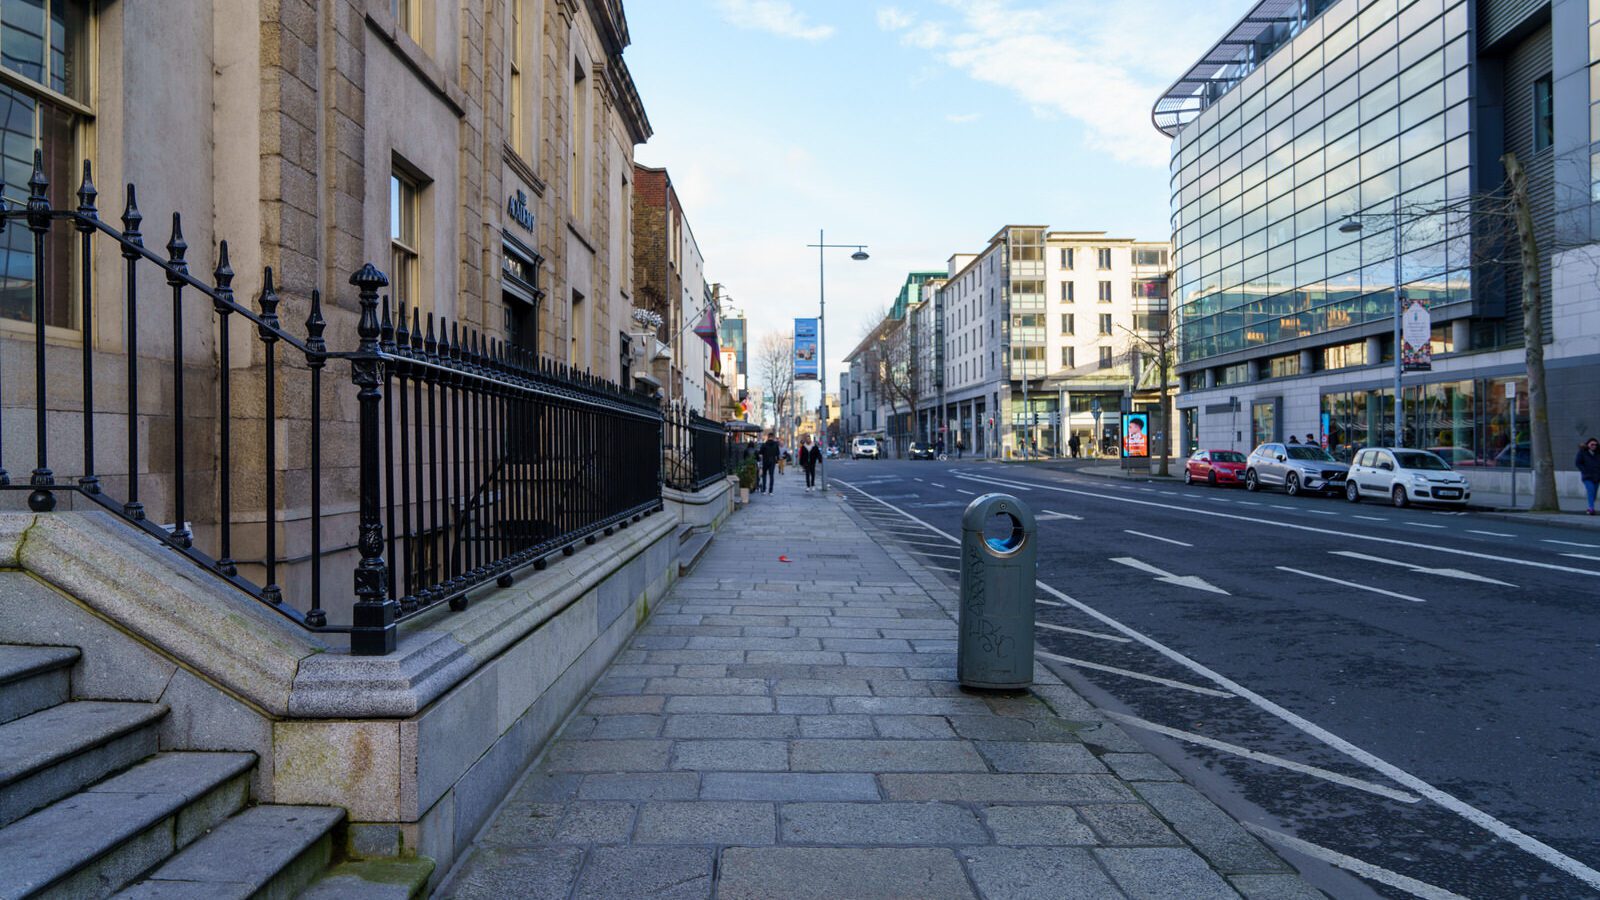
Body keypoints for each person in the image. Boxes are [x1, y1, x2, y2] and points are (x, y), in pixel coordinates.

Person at [1577, 437, 1600, 515]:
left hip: (1597, 477)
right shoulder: (1582, 452)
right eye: (1592, 444)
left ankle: (1590, 507)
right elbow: (1578, 463)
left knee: (1594, 494)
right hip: (1587, 476)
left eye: (1595, 444)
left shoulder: (1598, 453)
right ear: (1588, 444)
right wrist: (1584, 470)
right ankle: (1591, 508)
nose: (1594, 446)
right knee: (1590, 491)